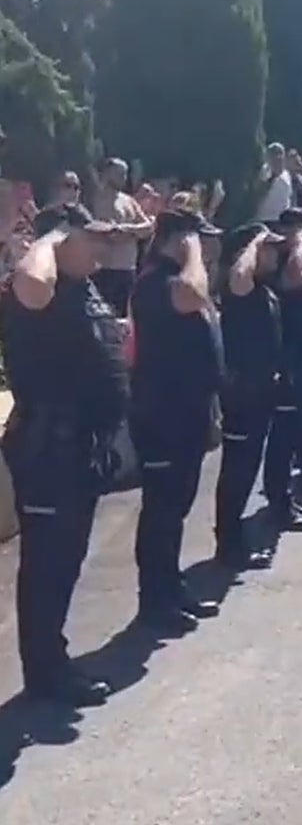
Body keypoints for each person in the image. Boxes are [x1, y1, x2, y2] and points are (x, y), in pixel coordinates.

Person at [0, 204, 129, 706]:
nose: (99, 248)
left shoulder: (81, 287)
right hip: (47, 448)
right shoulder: (32, 285)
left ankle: (53, 660)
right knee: (47, 566)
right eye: (88, 238)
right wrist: (49, 238)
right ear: (60, 241)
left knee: (66, 562)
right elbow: (32, 284)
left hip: (81, 449)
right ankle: (45, 677)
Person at [130, 207, 225, 634]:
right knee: (161, 512)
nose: (206, 245)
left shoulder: (179, 276)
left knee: (176, 509)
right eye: (197, 237)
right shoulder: (157, 280)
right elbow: (190, 296)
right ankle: (154, 601)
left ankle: (170, 588)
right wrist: (191, 253)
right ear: (180, 238)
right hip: (162, 415)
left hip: (187, 411)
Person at [214, 223, 285, 570]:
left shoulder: (264, 287)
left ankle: (235, 538)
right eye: (267, 249)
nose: (274, 254)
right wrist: (255, 240)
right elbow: (239, 275)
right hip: (243, 391)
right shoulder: (238, 284)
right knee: (237, 469)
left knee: (248, 467)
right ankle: (228, 544)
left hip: (261, 389)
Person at [263, 208, 302, 528]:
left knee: (293, 432)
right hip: (287, 359)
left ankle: (286, 499)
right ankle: (278, 504)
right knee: (282, 438)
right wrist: (299, 242)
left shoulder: (293, 257)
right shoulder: (281, 259)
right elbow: (294, 280)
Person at [90, 157, 154, 314]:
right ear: (107, 173)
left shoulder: (128, 201)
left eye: (125, 174)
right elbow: (110, 234)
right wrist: (132, 232)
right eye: (119, 174)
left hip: (128, 270)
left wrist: (126, 229)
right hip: (105, 270)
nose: (123, 178)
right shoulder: (96, 199)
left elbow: (148, 227)